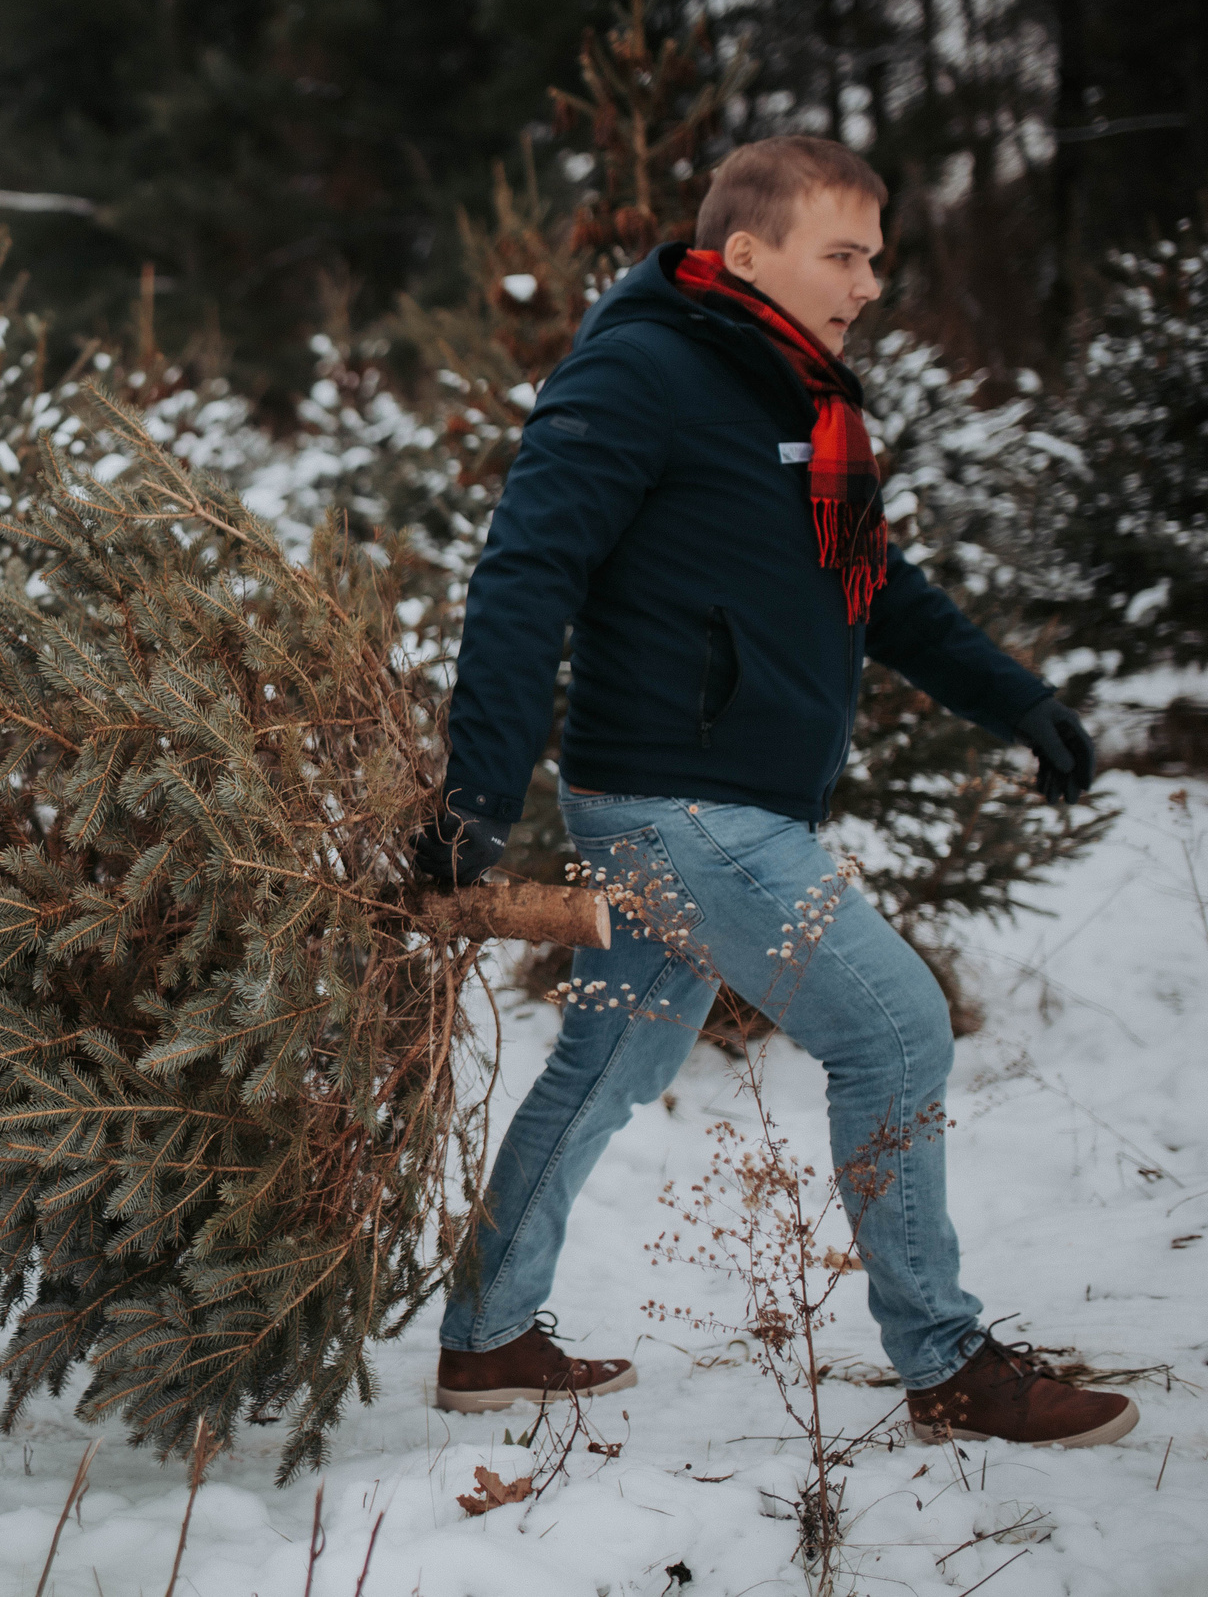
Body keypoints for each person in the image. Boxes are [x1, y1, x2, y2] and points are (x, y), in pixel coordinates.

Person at [415, 136, 1133, 1450]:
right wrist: (470, 801)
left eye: (877, 258)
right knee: (899, 1030)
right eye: (842, 254)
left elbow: (874, 584)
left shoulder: (792, 397)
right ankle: (948, 1359)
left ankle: (486, 1337)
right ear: (747, 253)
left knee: (610, 1059)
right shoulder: (643, 371)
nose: (867, 284)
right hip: (682, 807)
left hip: (708, 802)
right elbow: (526, 572)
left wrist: (1015, 696)